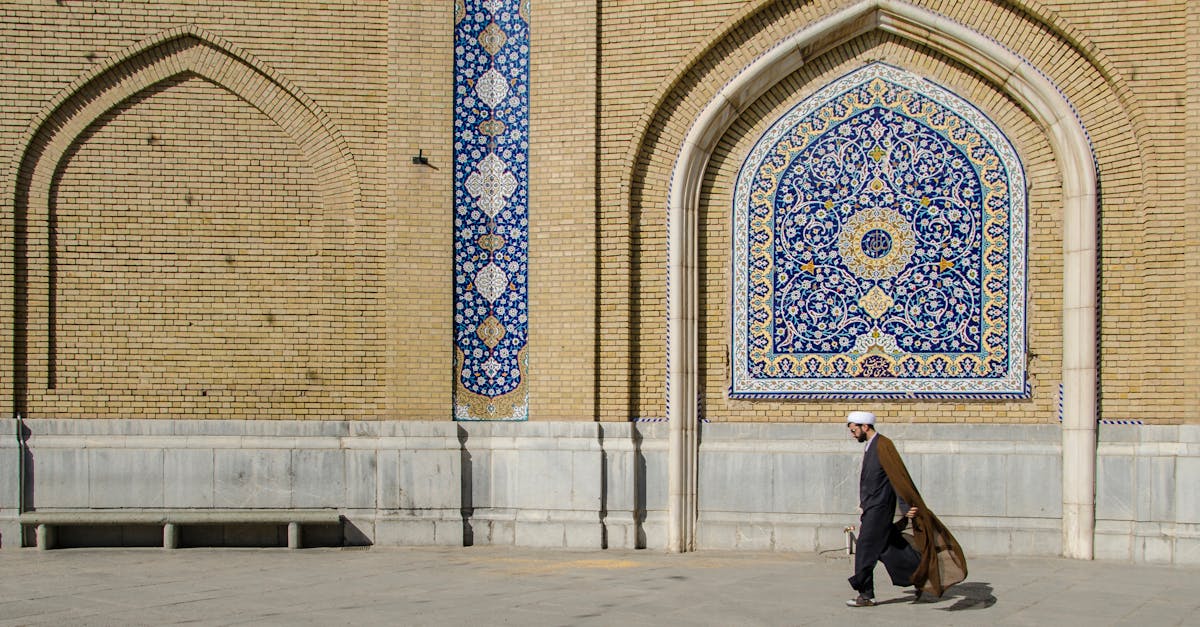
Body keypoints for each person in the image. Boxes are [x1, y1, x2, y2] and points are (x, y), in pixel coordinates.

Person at [844, 411, 968, 608]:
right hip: (872, 507)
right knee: (889, 548)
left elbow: (897, 477)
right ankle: (921, 575)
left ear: (865, 427)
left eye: (854, 430)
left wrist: (906, 506)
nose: (852, 434)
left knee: (865, 549)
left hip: (879, 510)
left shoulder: (883, 445)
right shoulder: (871, 445)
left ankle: (866, 595)